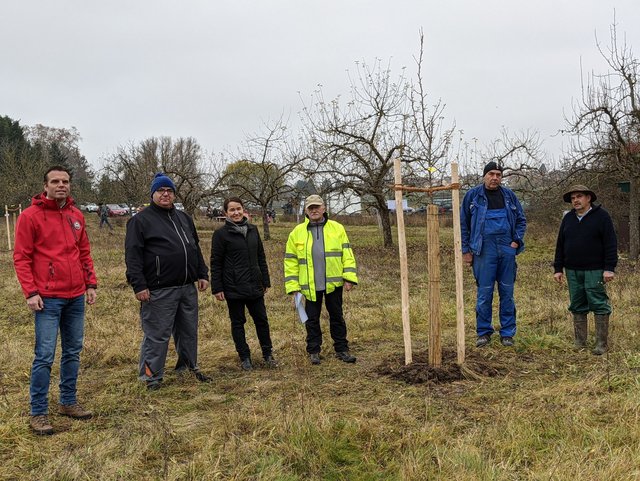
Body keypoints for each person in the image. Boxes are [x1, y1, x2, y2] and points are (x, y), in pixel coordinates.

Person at [13, 165, 98, 435]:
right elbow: (21, 257)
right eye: (55, 181)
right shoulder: (30, 217)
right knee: (44, 356)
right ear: (45, 185)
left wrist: (90, 283)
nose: (61, 185)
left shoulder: (75, 215)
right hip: (47, 299)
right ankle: (38, 412)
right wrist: (31, 291)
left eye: (66, 181)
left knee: (73, 351)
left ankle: (68, 401)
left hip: (75, 296)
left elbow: (83, 252)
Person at [125, 173, 211, 390]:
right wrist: (139, 285)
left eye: (169, 191)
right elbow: (133, 256)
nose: (165, 194)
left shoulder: (184, 218)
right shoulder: (140, 221)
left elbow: (195, 248)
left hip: (186, 287)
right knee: (157, 335)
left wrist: (202, 273)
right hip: (158, 290)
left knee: (188, 331)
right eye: (161, 191)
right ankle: (151, 376)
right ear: (153, 194)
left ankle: (189, 367)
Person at [284, 194, 358, 365]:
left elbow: (347, 254)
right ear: (306, 211)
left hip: (333, 284)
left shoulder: (337, 228)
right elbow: (290, 261)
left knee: (337, 316)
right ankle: (314, 350)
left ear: (324, 208)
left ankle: (342, 349)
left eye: (317, 206)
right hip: (309, 285)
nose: (314, 210)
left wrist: (348, 277)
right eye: (311, 208)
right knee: (311, 318)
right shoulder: (297, 233)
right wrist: (293, 286)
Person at [461, 161, 527, 348]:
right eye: (491, 174)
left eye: (498, 174)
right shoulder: (473, 197)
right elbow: (463, 224)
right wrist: (466, 250)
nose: (495, 178)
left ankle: (507, 333)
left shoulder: (509, 196)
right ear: (484, 176)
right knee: (484, 293)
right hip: (483, 250)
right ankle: (483, 332)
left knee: (507, 292)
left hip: (507, 249)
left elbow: (521, 220)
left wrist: (516, 241)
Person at [210, 197, 276, 370]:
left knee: (262, 320)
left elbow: (260, 256)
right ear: (226, 214)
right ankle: (245, 357)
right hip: (234, 287)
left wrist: (265, 280)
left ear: (243, 209)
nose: (236, 212)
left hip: (255, 285)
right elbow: (216, 262)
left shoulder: (253, 230)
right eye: (232, 210)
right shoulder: (221, 235)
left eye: (238, 208)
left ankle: (268, 353)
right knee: (238, 322)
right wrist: (217, 287)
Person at [553, 185, 617, 355]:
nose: (576, 200)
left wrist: (609, 268)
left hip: (595, 269)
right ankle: (580, 342)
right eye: (573, 198)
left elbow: (611, 243)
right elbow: (560, 244)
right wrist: (558, 268)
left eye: (579, 196)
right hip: (572, 270)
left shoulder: (602, 217)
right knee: (577, 304)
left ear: (588, 198)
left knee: (598, 303)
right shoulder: (568, 219)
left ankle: (601, 344)